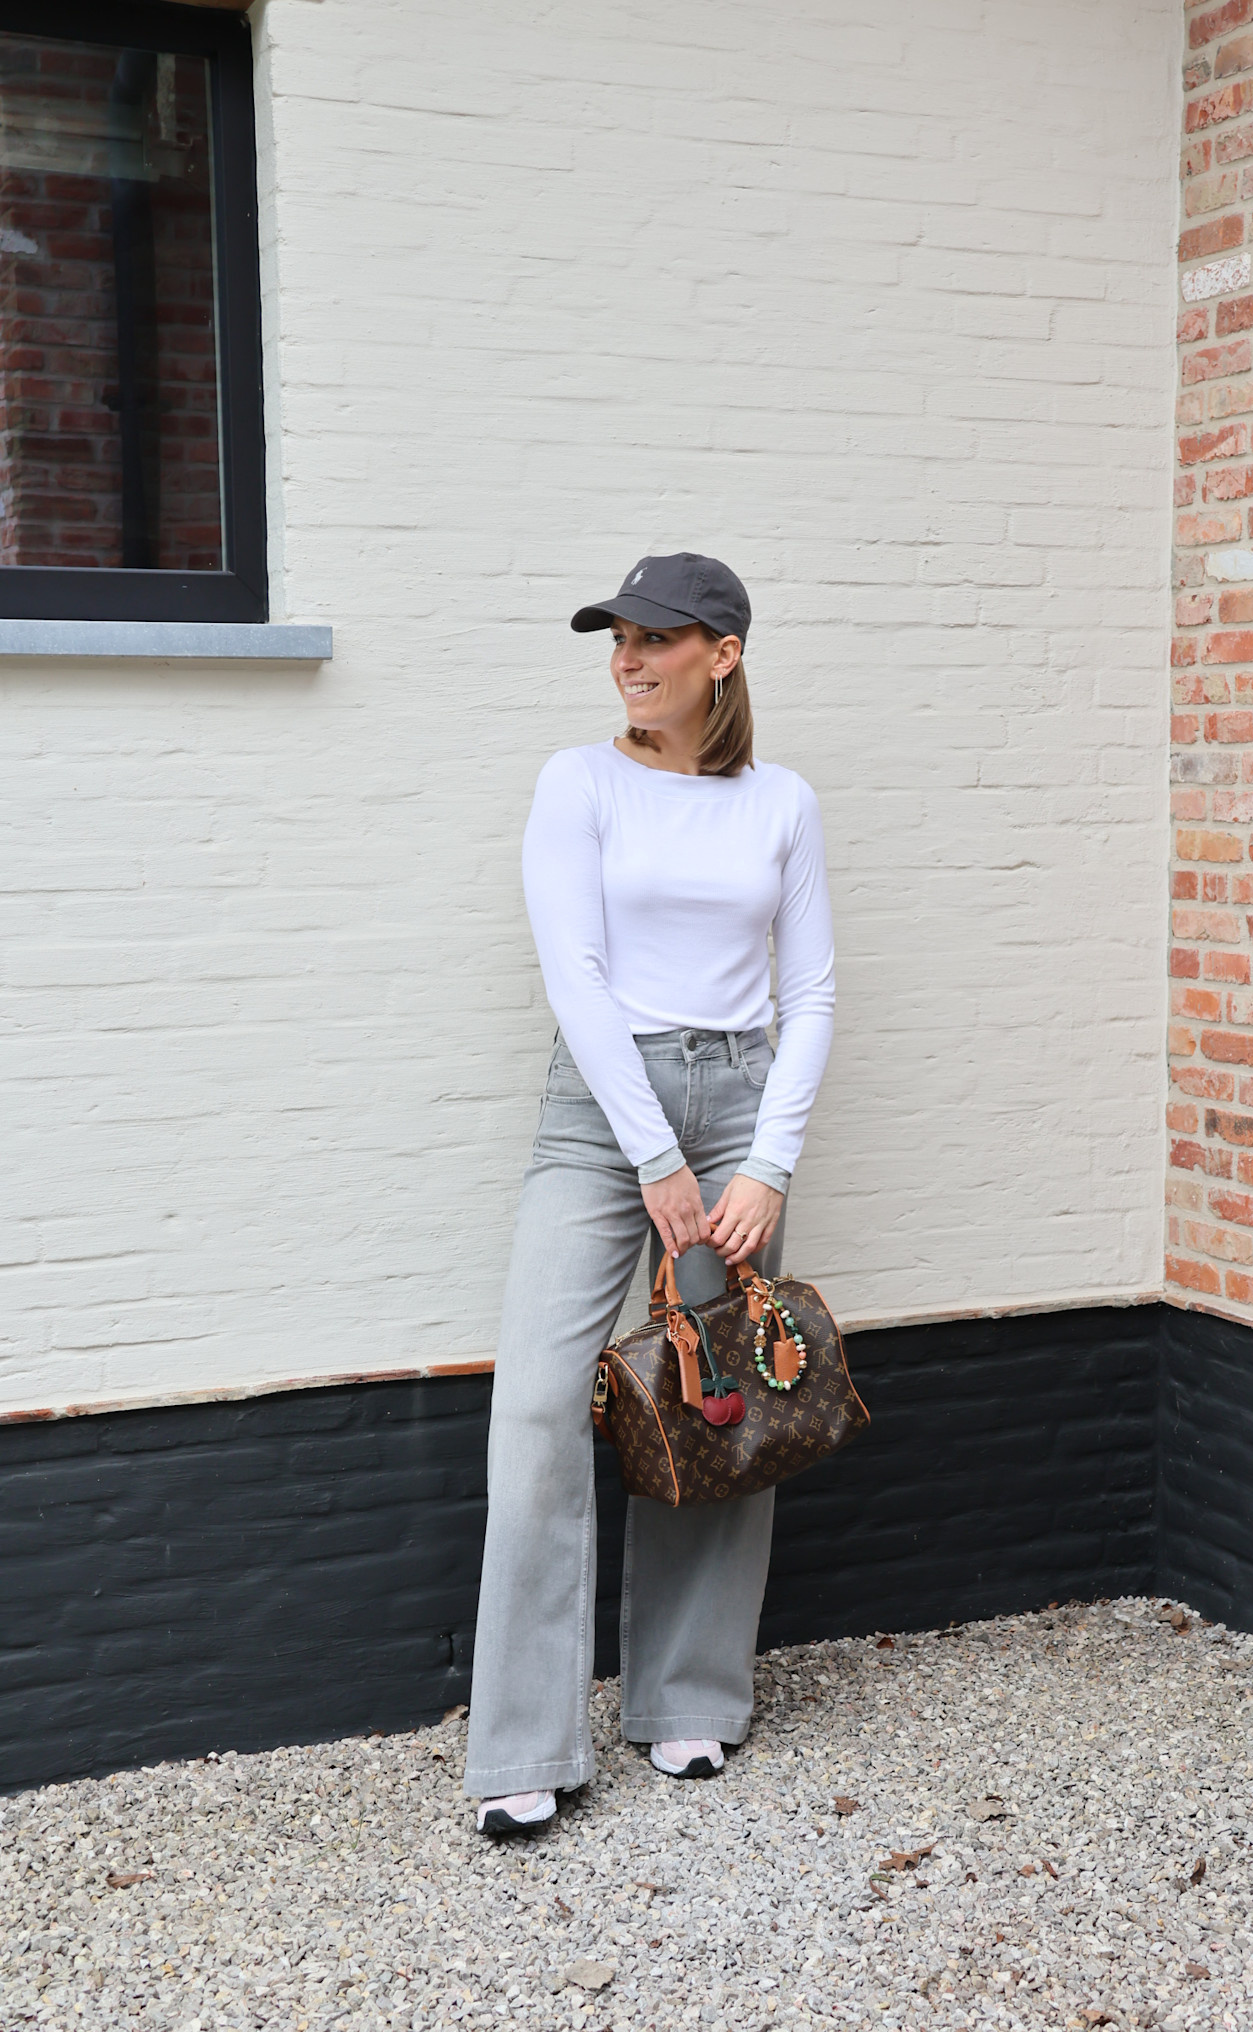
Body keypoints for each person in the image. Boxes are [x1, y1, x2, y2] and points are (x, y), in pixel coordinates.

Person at [463, 552, 835, 1834]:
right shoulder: (579, 780)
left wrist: (767, 1160)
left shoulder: (780, 801)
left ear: (722, 654)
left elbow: (812, 990)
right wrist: (653, 1155)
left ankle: (689, 1694)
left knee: (714, 1394)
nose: (628, 657)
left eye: (656, 637)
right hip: (603, 1108)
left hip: (739, 1105)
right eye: (617, 636)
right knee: (536, 1404)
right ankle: (525, 1742)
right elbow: (573, 971)